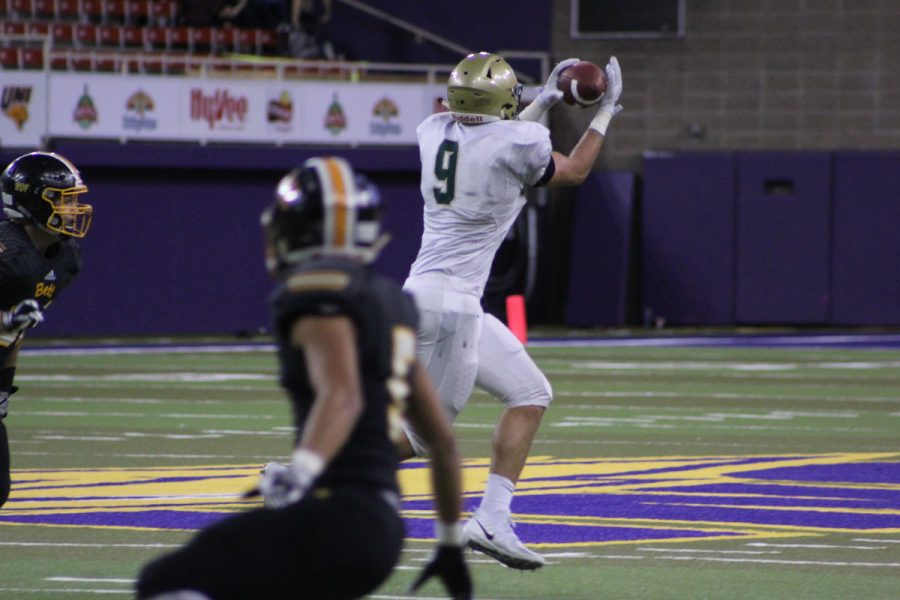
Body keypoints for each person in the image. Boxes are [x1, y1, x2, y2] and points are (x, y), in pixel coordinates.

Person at [136, 157, 472, 600]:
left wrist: (302, 473)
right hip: (383, 528)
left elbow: (343, 393)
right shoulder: (392, 301)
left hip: (335, 516)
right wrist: (450, 543)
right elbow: (442, 441)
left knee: (164, 581)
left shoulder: (316, 293)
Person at [397, 52, 623, 570]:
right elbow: (575, 171)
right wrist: (605, 111)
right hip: (450, 306)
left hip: (439, 298)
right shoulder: (519, 141)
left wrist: (544, 100)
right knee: (419, 436)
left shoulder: (433, 131)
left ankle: (494, 517)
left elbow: (491, 136)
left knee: (530, 393)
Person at [0, 151, 92, 508]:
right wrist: (8, 321)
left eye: (73, 200)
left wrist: (4, 385)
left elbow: (16, 332)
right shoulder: (8, 258)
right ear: (29, 201)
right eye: (60, 199)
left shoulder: (64, 258)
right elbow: (12, 322)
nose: (71, 209)